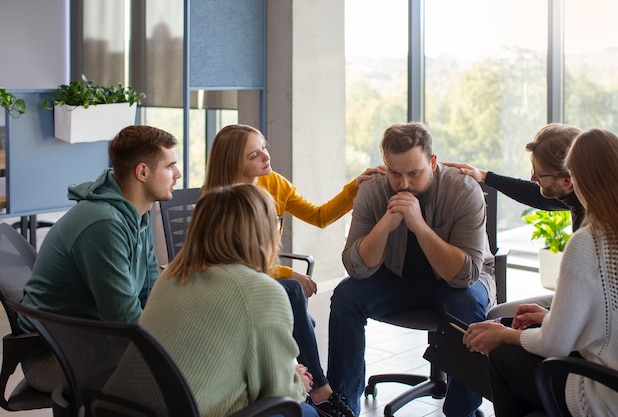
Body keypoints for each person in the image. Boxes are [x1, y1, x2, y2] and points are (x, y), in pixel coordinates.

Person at [202, 124, 383, 417]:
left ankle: (314, 391)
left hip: (262, 284)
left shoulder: (275, 184)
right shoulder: (218, 202)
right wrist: (288, 272)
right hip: (233, 286)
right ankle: (321, 392)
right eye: (254, 154)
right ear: (234, 162)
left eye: (264, 147)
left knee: (293, 297)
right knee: (292, 289)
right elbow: (230, 264)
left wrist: (354, 188)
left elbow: (320, 216)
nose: (265, 156)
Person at [327, 121, 496, 417]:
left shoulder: (463, 190)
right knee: (345, 296)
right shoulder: (372, 189)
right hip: (398, 279)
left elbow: (464, 275)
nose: (403, 183)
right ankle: (343, 408)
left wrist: (418, 226)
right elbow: (355, 267)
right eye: (395, 173)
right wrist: (385, 225)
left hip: (457, 283)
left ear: (432, 162)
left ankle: (461, 412)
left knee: (466, 303)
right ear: (385, 165)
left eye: (414, 173)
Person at [106, 184, 318, 417]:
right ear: (262, 232)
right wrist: (297, 381)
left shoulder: (172, 275)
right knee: (304, 411)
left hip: (118, 410)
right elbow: (279, 392)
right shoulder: (260, 290)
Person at [462, 128, 618, 417]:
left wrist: (504, 336)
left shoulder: (591, 240)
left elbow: (556, 343)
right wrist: (553, 318)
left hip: (609, 395)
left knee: (502, 356)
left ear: (573, 180)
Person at [19, 125, 182, 393]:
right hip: (55, 357)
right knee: (178, 379)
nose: (178, 174)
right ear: (142, 172)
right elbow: (124, 320)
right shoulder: (103, 224)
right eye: (170, 166)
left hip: (93, 341)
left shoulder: (138, 215)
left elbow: (150, 293)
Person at [443, 123, 584, 316]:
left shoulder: (593, 226)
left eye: (538, 174)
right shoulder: (584, 193)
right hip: (580, 307)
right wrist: (485, 177)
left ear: (567, 182)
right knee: (496, 316)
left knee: (496, 319)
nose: (533, 178)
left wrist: (547, 319)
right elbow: (538, 195)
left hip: (585, 316)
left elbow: (588, 307)